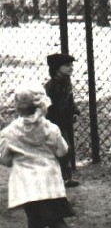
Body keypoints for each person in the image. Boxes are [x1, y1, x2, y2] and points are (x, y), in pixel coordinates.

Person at [0, 82, 93, 228]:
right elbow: (62, 150)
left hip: (26, 183)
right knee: (36, 213)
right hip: (49, 181)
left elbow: (5, 160)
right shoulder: (50, 128)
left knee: (53, 219)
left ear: (17, 106)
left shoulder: (9, 133)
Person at [44, 53, 80, 188]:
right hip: (53, 122)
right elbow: (48, 107)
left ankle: (65, 177)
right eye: (67, 65)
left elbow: (70, 100)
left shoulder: (66, 81)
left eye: (72, 65)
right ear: (56, 68)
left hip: (64, 121)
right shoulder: (51, 86)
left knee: (64, 148)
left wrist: (74, 111)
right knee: (61, 149)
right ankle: (62, 177)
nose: (71, 68)